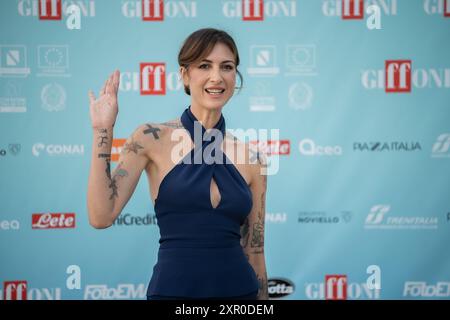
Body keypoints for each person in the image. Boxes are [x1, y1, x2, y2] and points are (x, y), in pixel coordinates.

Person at [87, 28, 268, 300]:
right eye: (204, 65)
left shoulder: (252, 159)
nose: (216, 77)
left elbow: (255, 252)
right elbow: (101, 216)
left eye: (227, 67)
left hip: (240, 296)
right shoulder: (151, 138)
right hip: (173, 294)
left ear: (235, 77)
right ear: (185, 75)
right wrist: (103, 131)